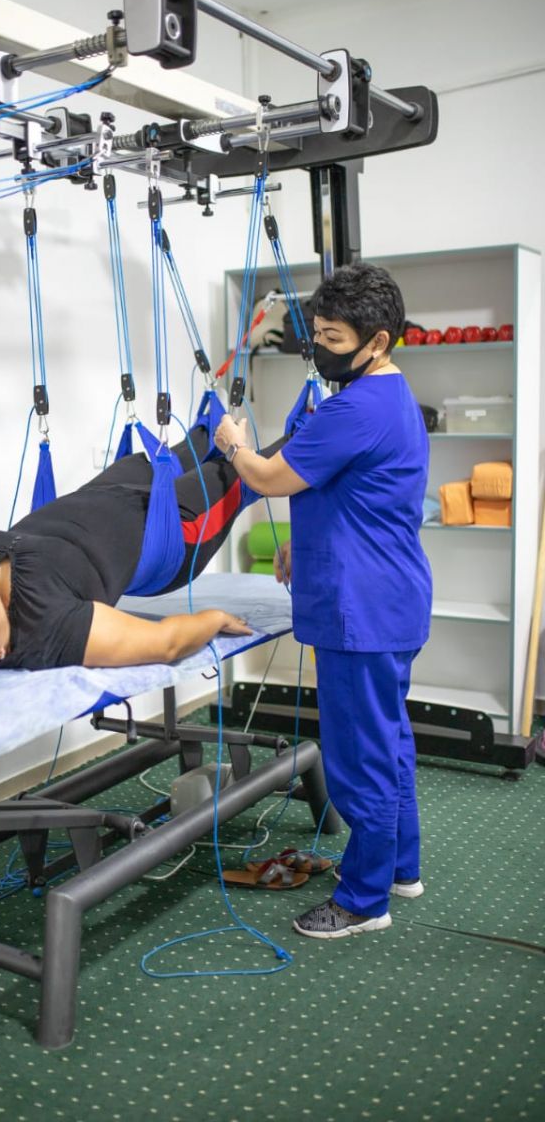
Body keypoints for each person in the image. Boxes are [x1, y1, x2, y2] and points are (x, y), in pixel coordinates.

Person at [214, 262, 432, 941]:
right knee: (388, 742)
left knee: (360, 759)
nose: (321, 349)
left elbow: (270, 476)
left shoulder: (355, 408)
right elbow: (356, 494)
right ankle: (399, 869)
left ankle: (363, 901)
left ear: (378, 340)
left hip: (361, 610)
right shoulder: (391, 396)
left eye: (334, 338)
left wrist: (234, 446)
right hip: (388, 596)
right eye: (318, 334)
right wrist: (301, 546)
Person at [0, 426, 286, 702]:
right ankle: (319, 417)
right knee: (259, 464)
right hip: (171, 528)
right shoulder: (48, 630)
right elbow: (167, 643)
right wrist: (214, 619)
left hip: (117, 487)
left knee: (205, 431)